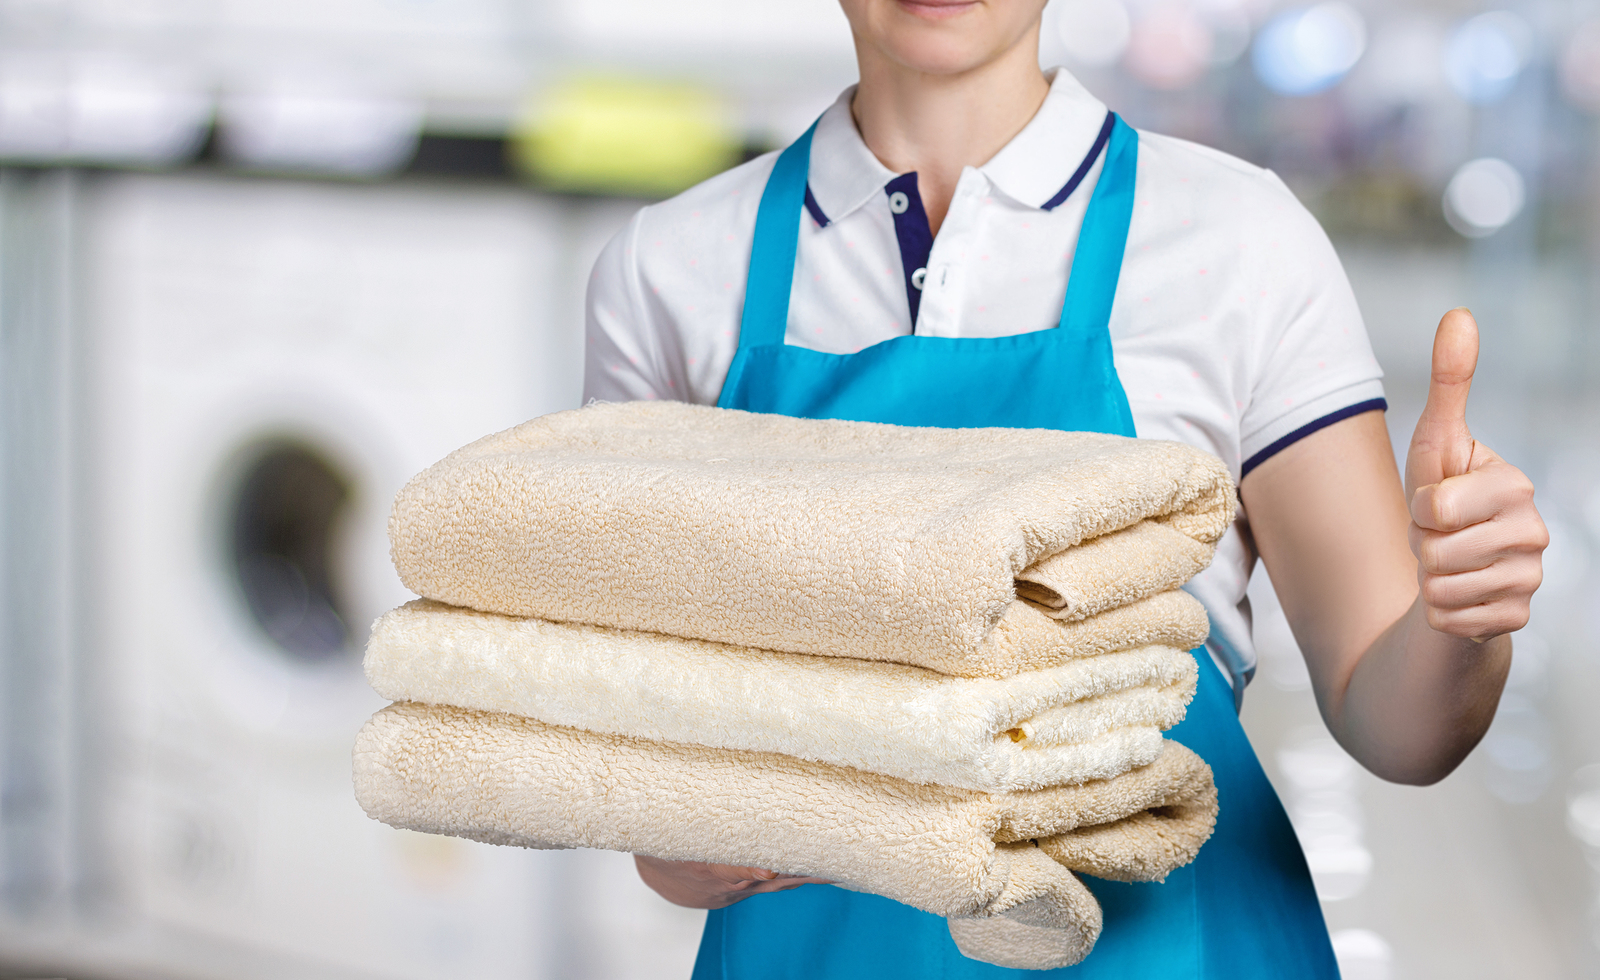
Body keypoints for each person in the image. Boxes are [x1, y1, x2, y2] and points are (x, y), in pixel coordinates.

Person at [581, 0, 1550, 976]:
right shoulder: (668, 274)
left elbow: (1398, 726)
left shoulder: (1240, 243)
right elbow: (639, 762)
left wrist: (1461, 621)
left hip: (1177, 946)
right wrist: (675, 837)